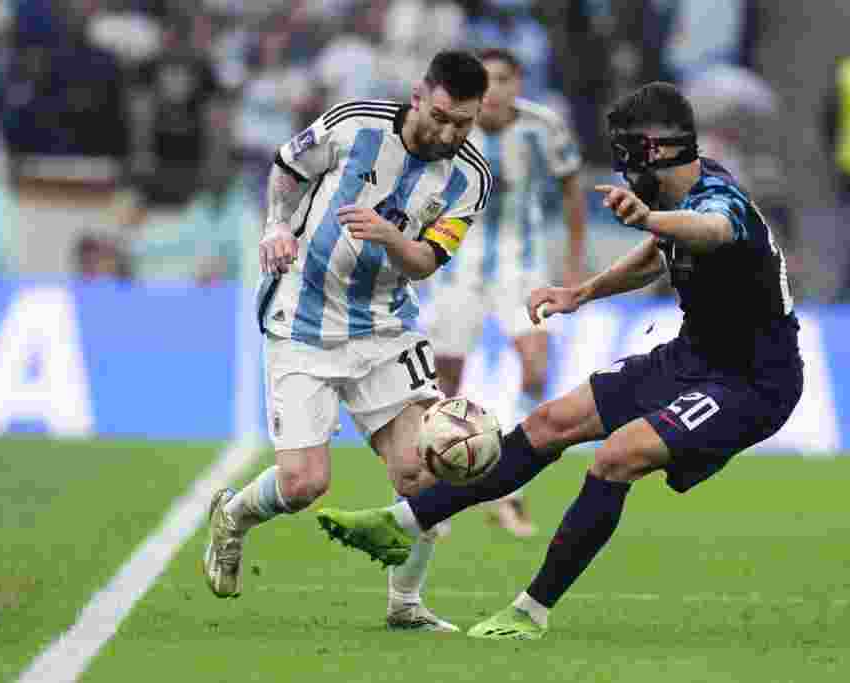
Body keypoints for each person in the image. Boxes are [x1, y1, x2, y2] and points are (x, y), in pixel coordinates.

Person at [316, 81, 804, 640]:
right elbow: (658, 255)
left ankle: (531, 611)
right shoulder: (676, 197)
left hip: (752, 382)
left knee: (617, 457)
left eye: (628, 149)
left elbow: (711, 231)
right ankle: (402, 522)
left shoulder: (720, 202)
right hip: (692, 356)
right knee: (549, 423)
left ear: (658, 148)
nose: (623, 162)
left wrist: (649, 219)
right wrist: (582, 293)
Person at [202, 51, 493, 634]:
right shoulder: (354, 122)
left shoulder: (471, 179)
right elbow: (287, 168)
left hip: (386, 327)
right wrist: (277, 226)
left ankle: (405, 604)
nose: (449, 132)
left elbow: (425, 263)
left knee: (425, 470)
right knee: (304, 485)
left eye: (464, 122)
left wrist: (387, 235)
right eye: (440, 116)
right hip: (301, 321)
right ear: (418, 96)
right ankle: (231, 517)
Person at [426, 47, 587, 538]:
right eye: (486, 81)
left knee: (537, 369)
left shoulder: (545, 127)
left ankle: (507, 490)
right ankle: (434, 494)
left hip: (523, 267)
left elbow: (571, 188)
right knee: (444, 383)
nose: (494, 90)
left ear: (518, 84)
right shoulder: (453, 124)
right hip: (456, 265)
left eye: (503, 80)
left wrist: (574, 262)